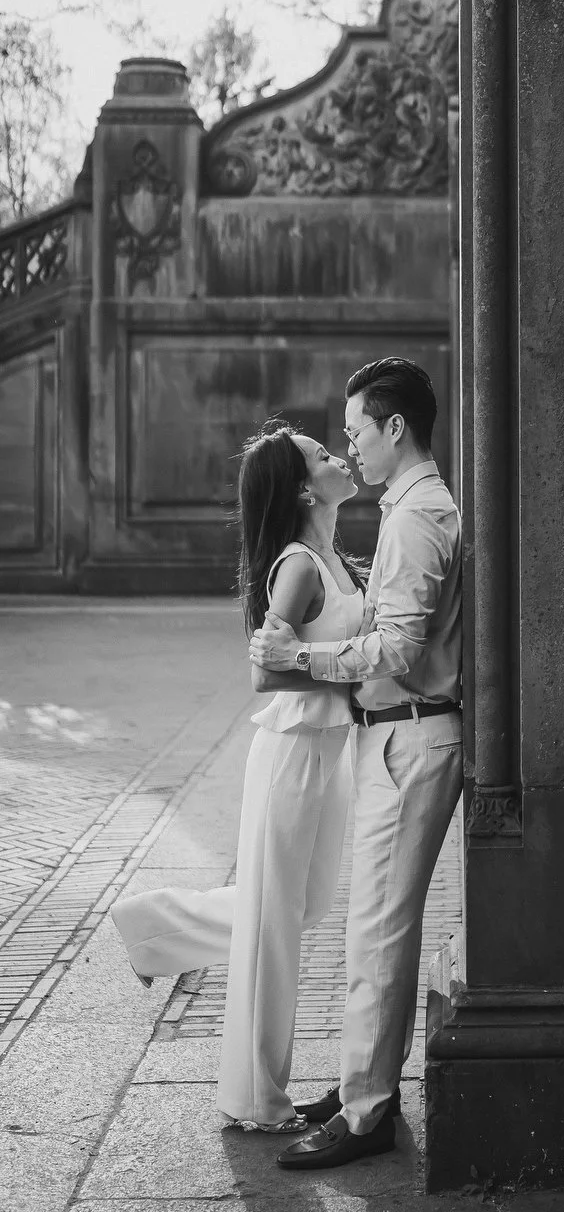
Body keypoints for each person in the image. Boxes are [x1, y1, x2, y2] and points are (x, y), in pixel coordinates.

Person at [110, 424, 365, 1132]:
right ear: (306, 488)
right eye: (322, 455)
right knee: (275, 925)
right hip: (292, 754)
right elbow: (262, 672)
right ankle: (258, 1098)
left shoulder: (333, 557)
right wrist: (351, 668)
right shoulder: (298, 567)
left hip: (327, 752)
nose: (339, 456)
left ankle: (152, 926)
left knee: (295, 909)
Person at [248, 355, 463, 1172]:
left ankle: (368, 1111)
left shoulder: (413, 516)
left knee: (378, 929)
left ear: (394, 428)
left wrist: (303, 653)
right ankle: (362, 1084)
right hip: (399, 733)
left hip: (410, 733)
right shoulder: (412, 508)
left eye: (355, 433)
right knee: (376, 926)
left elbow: (400, 648)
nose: (351, 448)